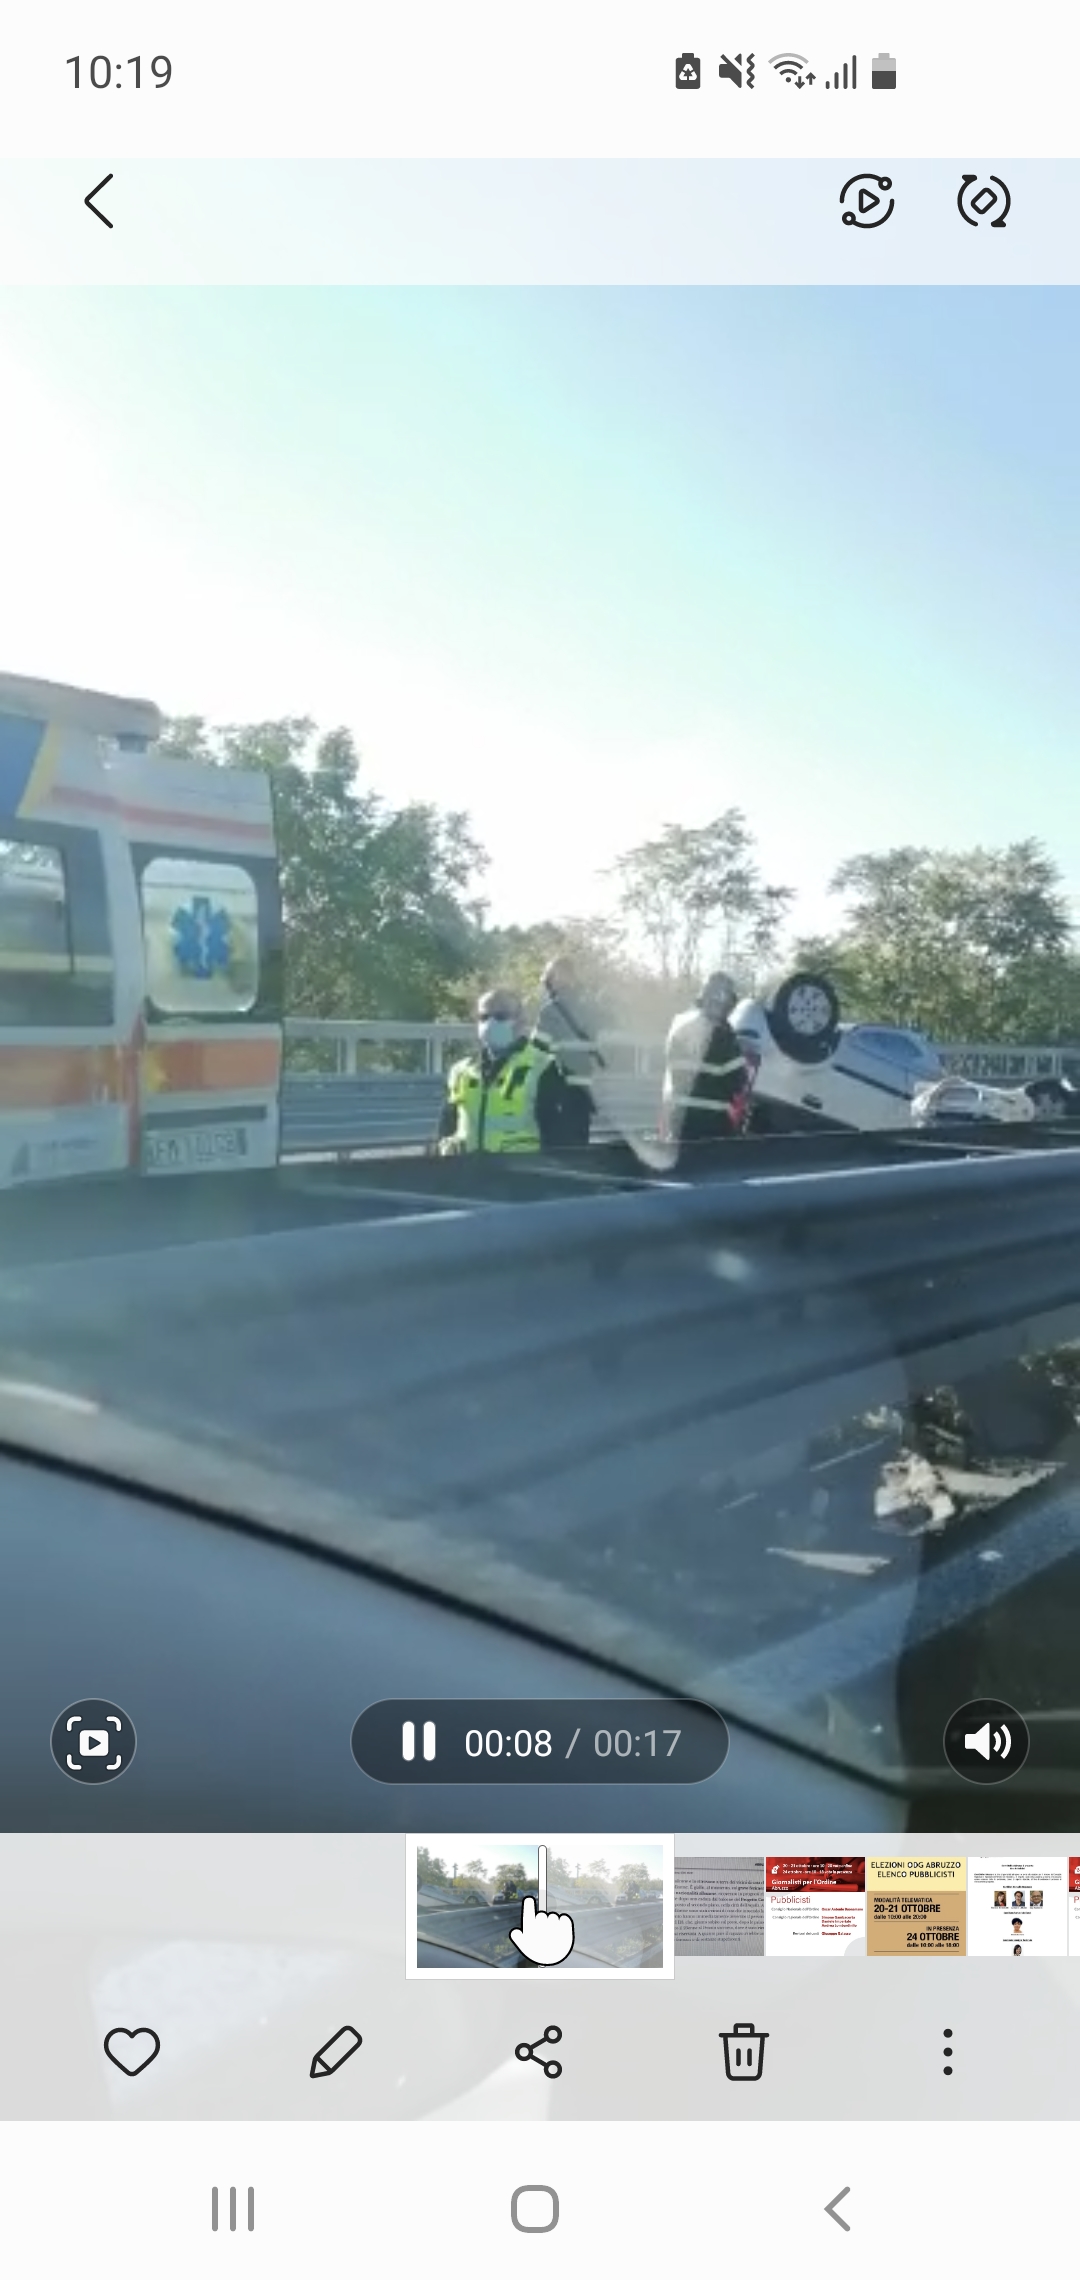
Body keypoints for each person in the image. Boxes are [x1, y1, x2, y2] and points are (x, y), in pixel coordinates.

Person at [436, 986, 573, 1156]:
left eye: (500, 1016)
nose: (490, 1023)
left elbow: (558, 1137)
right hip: (467, 1169)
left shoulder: (543, 1067)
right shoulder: (460, 1071)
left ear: (520, 1021)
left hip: (518, 1169)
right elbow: (446, 1128)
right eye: (484, 1017)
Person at [661, 970, 751, 1162]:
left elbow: (674, 1076)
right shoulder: (725, 1037)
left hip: (681, 1126)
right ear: (728, 1005)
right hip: (712, 1128)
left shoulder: (681, 1032)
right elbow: (739, 1082)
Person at [531, 954, 604, 1150]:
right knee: (578, 1151)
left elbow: (536, 1051)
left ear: (552, 980)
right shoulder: (591, 1008)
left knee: (554, 1152)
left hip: (557, 1092)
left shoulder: (550, 1011)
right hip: (584, 1093)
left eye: (548, 977)